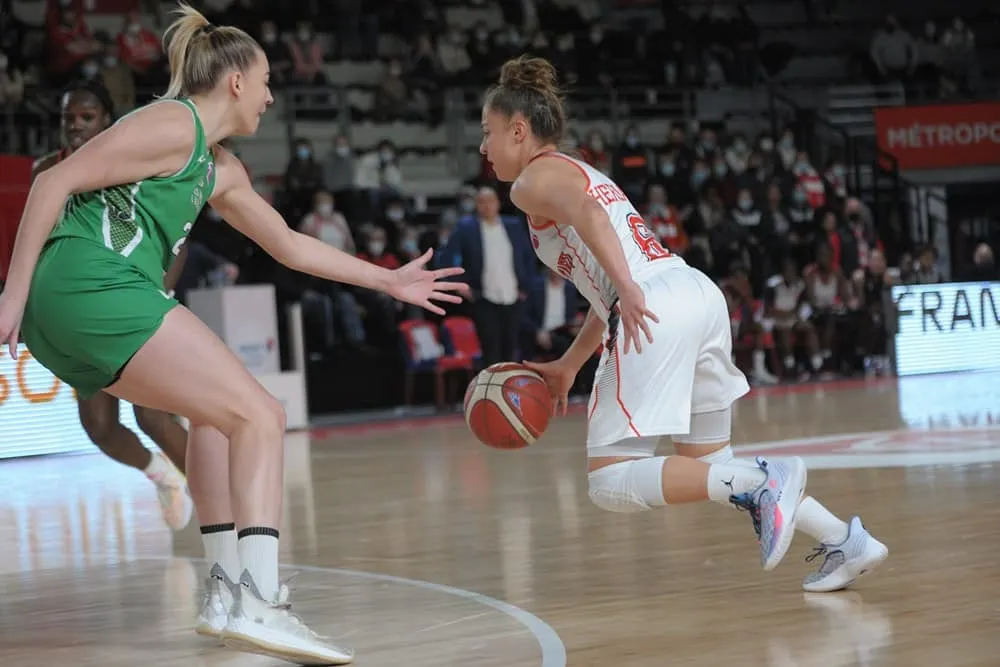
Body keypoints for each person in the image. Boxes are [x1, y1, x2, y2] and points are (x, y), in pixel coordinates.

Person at [0, 5, 468, 664]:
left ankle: (223, 589)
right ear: (237, 82)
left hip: (76, 304)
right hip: (89, 285)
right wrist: (11, 294)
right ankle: (260, 596)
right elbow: (53, 179)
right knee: (262, 413)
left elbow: (290, 245)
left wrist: (387, 281)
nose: (273, 95)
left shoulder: (218, 168)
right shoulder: (172, 123)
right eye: (268, 80)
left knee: (215, 420)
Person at [480, 55, 887, 590]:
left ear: (519, 129)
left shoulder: (531, 180)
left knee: (610, 481)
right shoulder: (582, 170)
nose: (484, 148)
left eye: (488, 133)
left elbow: (593, 221)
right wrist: (569, 363)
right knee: (711, 464)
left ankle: (768, 484)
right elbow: (602, 265)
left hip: (652, 302)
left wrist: (626, 289)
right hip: (695, 294)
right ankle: (845, 540)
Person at [31, 79, 192, 532]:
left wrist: (159, 291)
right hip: (78, 306)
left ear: (107, 120)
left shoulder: (131, 162)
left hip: (134, 299)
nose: (77, 126)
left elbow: (179, 241)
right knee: (99, 426)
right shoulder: (46, 169)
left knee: (153, 416)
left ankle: (223, 512)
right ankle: (162, 475)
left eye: (87, 117)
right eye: (69, 118)